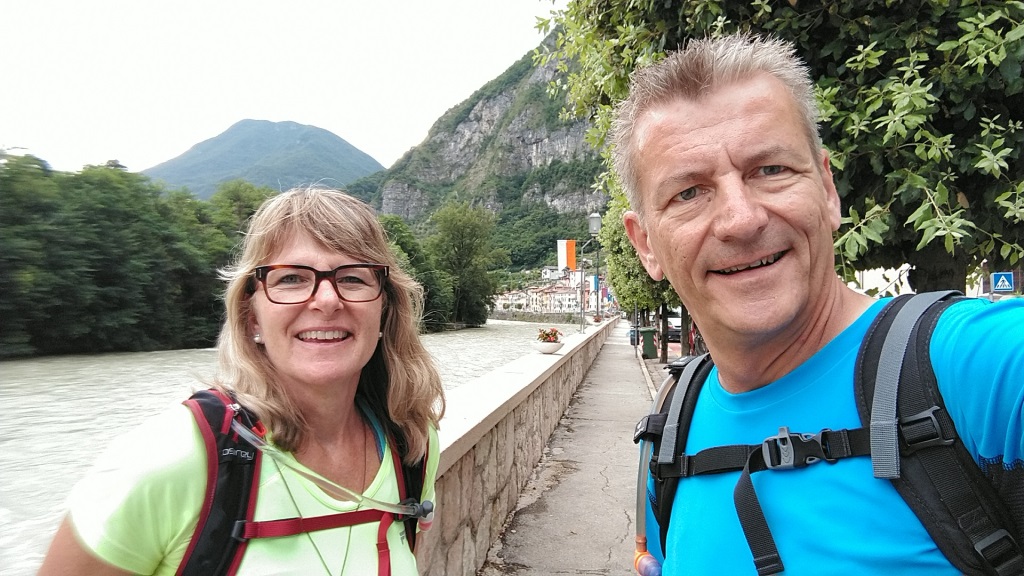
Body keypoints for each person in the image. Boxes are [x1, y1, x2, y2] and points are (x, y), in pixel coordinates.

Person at [617, 34, 1024, 574]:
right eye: (688, 193)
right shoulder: (670, 431)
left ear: (828, 190)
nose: (742, 219)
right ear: (646, 243)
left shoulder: (979, 366)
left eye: (770, 170)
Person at [38, 187, 446, 575]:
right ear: (252, 318)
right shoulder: (170, 458)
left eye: (353, 278)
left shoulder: (411, 442)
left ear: (384, 311)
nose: (326, 300)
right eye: (291, 278)